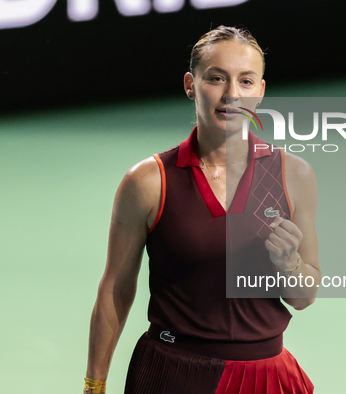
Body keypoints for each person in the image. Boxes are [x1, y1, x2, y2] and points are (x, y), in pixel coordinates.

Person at [84, 25, 321, 394]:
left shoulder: (295, 175)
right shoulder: (148, 181)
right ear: (190, 85)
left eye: (245, 81)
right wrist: (93, 386)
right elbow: (116, 287)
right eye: (216, 78)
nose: (231, 94)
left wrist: (288, 262)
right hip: (171, 375)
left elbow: (303, 297)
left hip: (267, 378)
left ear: (260, 91)